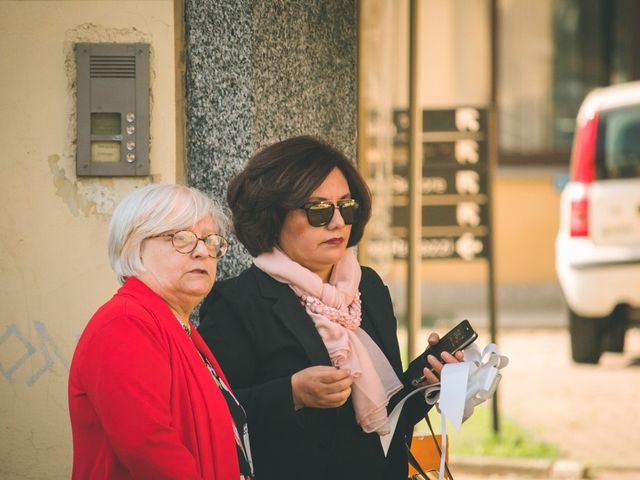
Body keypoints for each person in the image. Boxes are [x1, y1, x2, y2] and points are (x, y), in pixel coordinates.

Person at [198, 136, 463, 480]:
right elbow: (212, 415)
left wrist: (427, 381)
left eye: (346, 207)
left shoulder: (366, 286)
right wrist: (292, 394)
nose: (338, 222)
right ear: (273, 216)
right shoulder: (237, 302)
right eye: (319, 210)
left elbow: (386, 413)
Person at [68, 184, 253, 480]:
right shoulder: (125, 322)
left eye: (210, 240)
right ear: (134, 245)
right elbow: (149, 447)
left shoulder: (177, 325)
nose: (203, 252)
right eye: (181, 238)